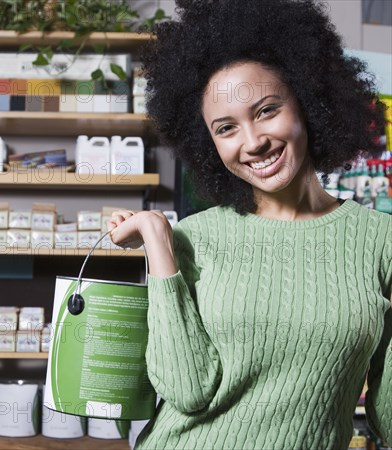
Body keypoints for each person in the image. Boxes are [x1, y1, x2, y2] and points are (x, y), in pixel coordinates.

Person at [106, 0, 392, 449]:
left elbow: (388, 418)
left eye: (266, 110)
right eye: (225, 129)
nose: (253, 142)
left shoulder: (381, 242)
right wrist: (159, 243)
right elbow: (187, 390)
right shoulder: (192, 239)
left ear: (310, 100)